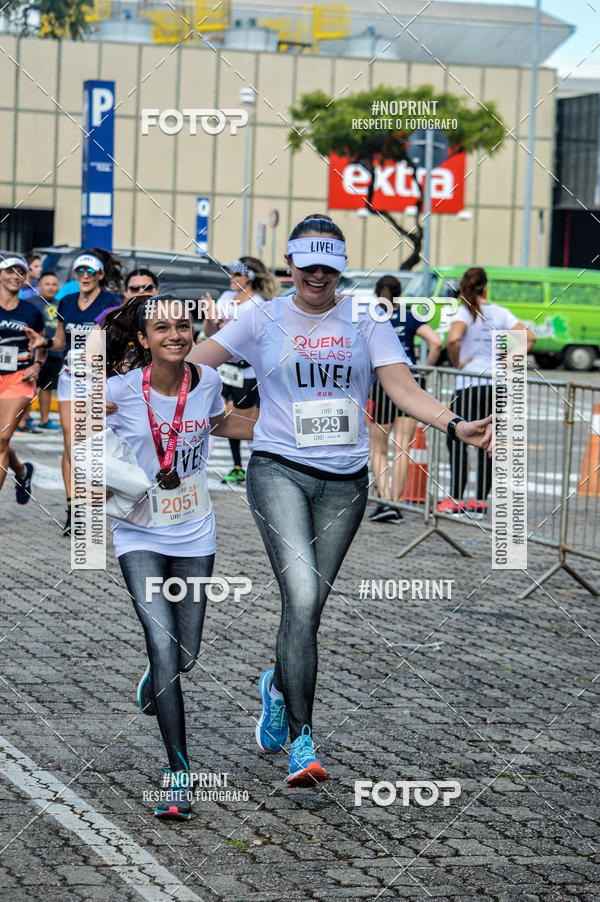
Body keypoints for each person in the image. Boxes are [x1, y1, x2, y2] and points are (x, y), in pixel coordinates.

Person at [188, 214, 493, 788]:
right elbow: (194, 365)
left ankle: (277, 686)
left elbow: (401, 386)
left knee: (307, 609)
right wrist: (210, 417)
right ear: (291, 265)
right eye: (309, 266)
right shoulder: (260, 316)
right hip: (278, 469)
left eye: (330, 266)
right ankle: (302, 742)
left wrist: (456, 426)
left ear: (341, 267)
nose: (319, 276)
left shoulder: (365, 316)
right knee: (300, 594)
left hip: (346, 482)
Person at [104, 295, 254, 819]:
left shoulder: (207, 382)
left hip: (195, 531)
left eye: (183, 326)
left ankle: (158, 674)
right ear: (142, 340)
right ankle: (178, 776)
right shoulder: (118, 393)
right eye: (161, 327)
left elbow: (220, 424)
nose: (175, 334)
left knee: (185, 654)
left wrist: (289, 427)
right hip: (139, 532)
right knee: (165, 649)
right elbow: (85, 441)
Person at [26, 249, 122, 535]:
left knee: (93, 445)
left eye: (89, 272)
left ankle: (97, 505)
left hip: (99, 380)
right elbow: (59, 341)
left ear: (100, 275)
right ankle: (73, 511)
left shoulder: (111, 302)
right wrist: (42, 340)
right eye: (80, 271)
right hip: (70, 378)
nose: (84, 276)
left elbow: (116, 343)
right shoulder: (66, 301)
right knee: (71, 443)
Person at [442, 266, 536, 515]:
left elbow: (453, 340)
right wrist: (510, 357)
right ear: (486, 288)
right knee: (489, 440)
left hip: (469, 383)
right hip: (497, 383)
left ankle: (456, 497)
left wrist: (456, 362)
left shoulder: (463, 312)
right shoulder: (500, 312)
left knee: (458, 439)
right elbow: (530, 337)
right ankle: (481, 500)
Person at [368, 275, 443, 523]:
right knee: (403, 446)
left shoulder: (373, 318)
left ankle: (385, 499)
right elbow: (436, 342)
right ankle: (396, 503)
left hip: (382, 385)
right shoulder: (410, 316)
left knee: (378, 449)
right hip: (410, 384)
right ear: (400, 294)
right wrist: (423, 369)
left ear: (377, 293)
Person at [202, 257, 278, 484]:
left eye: (237, 274)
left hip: (248, 373)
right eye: (231, 273)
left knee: (245, 424)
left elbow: (250, 337)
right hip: (226, 370)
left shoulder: (258, 304)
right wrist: (211, 319)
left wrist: (224, 326)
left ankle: (266, 465)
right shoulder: (226, 298)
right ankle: (237, 466)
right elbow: (210, 333)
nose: (231, 278)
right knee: (223, 415)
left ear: (250, 278)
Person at [0, 256, 46, 504]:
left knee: (2, 438)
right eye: (9, 271)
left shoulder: (32, 312)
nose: (15, 276)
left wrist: (38, 365)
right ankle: (22, 471)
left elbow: (43, 346)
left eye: (20, 272)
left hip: (19, 378)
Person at [29, 271, 62, 430]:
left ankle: (44, 419)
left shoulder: (61, 304)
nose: (51, 287)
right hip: (34, 352)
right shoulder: (30, 303)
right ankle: (24, 419)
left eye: (54, 284)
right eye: (47, 284)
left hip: (55, 352)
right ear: (39, 286)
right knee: (30, 386)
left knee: (47, 386)